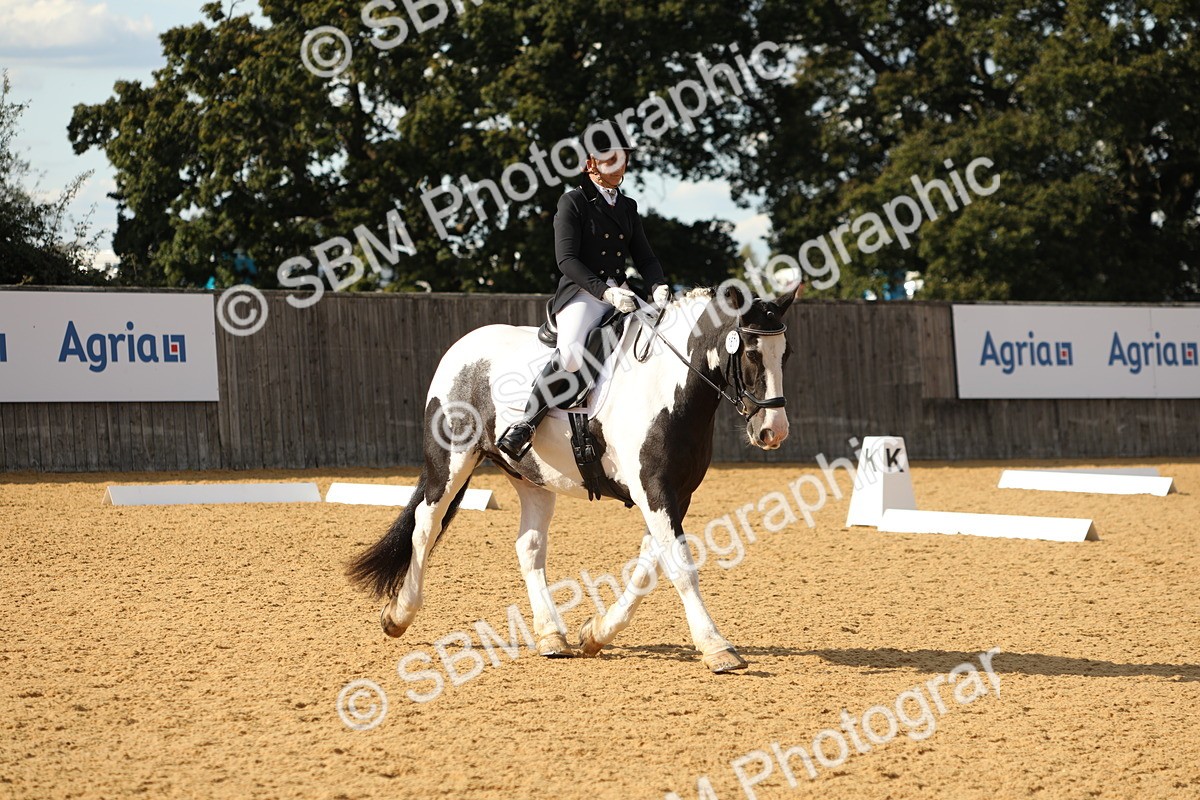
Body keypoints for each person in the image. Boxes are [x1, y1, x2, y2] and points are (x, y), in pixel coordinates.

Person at [497, 126, 671, 460]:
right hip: (582, 293)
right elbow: (567, 260)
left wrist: (657, 284)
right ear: (589, 163)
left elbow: (645, 257)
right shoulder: (573, 201)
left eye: (622, 159)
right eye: (610, 159)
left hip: (622, 292)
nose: (619, 166)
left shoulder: (628, 206)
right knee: (573, 355)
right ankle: (526, 424)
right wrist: (605, 293)